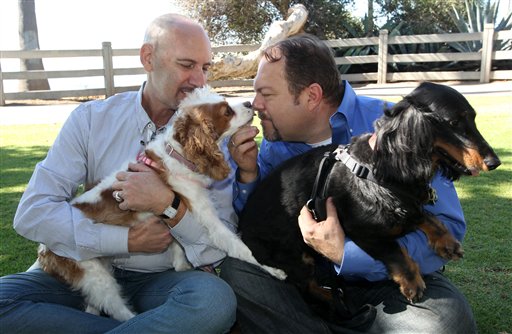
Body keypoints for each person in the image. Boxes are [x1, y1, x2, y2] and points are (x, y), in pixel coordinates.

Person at [220, 34, 477, 333]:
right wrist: (249, 174)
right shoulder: (275, 144)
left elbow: (448, 226)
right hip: (308, 277)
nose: (256, 104)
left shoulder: (401, 128)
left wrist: (347, 255)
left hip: (387, 281)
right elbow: (263, 226)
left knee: (443, 324)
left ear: (311, 96)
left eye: (266, 93)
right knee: (238, 275)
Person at [0, 14, 237, 334]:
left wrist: (168, 205)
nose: (199, 80)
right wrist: (120, 239)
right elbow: (31, 213)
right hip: (83, 272)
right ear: (148, 58)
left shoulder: (212, 136)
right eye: (186, 65)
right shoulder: (90, 120)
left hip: (164, 282)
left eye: (205, 67)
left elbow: (220, 245)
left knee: (214, 302)